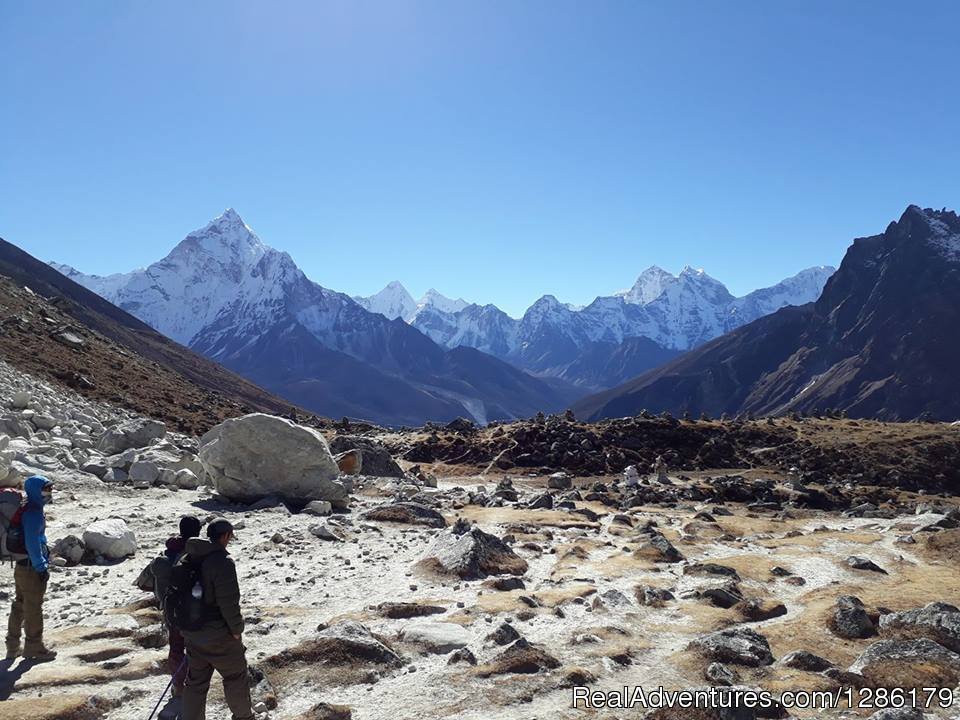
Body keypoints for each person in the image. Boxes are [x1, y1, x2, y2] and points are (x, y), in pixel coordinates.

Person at [181, 518, 253, 720]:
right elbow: (229, 603)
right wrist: (236, 630)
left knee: (195, 683)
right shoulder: (222, 562)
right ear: (225, 536)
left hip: (193, 633)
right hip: (220, 635)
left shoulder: (190, 557)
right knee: (235, 677)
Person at [150, 515, 203, 719]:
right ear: (197, 532)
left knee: (176, 648)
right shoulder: (198, 553)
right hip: (194, 610)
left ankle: (178, 686)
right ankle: (193, 685)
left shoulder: (168, 552)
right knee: (196, 648)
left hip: (171, 611)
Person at [5, 475, 56, 661]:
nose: (49, 493)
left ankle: (12, 646)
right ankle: (34, 647)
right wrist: (41, 567)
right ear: (36, 491)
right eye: (46, 489)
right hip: (31, 568)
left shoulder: (27, 508)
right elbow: (33, 542)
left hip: (21, 565)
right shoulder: (33, 513)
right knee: (33, 607)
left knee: (19, 604)